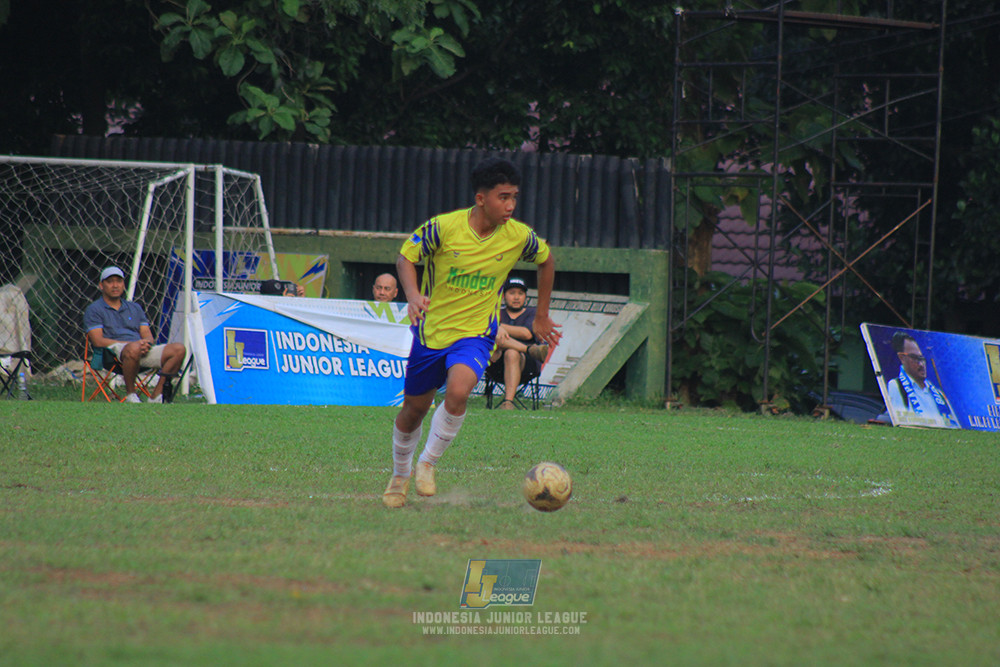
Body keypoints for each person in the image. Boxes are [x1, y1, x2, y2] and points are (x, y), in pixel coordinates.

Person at [382, 157, 561, 508]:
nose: (510, 206)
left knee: (460, 391)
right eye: (503, 197)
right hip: (431, 334)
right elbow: (406, 257)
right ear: (481, 199)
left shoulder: (518, 236)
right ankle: (400, 474)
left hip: (477, 333)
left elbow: (547, 259)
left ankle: (428, 464)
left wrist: (541, 314)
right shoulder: (444, 228)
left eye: (514, 198)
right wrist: (414, 295)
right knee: (413, 410)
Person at [83, 266, 186, 404]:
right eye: (110, 281)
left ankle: (156, 396)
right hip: (113, 353)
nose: (115, 285)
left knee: (178, 349)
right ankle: (131, 395)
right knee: (133, 348)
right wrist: (132, 345)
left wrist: (146, 343)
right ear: (101, 285)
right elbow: (98, 341)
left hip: (140, 350)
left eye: (119, 281)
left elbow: (147, 335)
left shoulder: (134, 307)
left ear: (123, 284)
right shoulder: (94, 309)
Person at [485, 276, 549, 409]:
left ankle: (508, 402)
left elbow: (526, 333)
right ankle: (529, 349)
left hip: (527, 364)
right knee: (496, 338)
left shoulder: (533, 313)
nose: (516, 297)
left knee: (512, 352)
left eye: (520, 293)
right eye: (512, 293)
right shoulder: (496, 313)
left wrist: (498, 326)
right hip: (496, 362)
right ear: (503, 296)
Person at [885, 331, 959, 428]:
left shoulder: (938, 393)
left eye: (922, 359)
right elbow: (902, 423)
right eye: (915, 358)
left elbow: (954, 426)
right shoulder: (896, 385)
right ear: (902, 358)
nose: (921, 364)